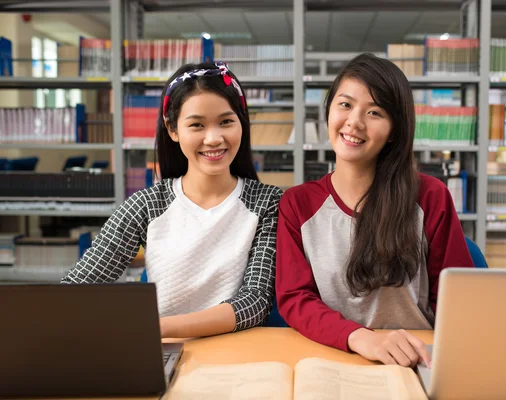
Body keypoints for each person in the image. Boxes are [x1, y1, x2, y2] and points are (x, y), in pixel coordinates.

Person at [275, 53, 474, 368]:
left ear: (395, 129)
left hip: (413, 360)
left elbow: (461, 301)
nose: (355, 121)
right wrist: (359, 337)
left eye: (375, 112)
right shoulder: (297, 205)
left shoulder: (431, 197)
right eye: (345, 104)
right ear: (328, 110)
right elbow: (295, 299)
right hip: (333, 356)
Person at [62, 62, 283, 339]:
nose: (213, 138)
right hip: (161, 353)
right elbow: (77, 288)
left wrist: (155, 328)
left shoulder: (269, 203)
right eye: (197, 125)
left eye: (226, 121)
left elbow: (256, 301)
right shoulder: (146, 205)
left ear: (242, 122)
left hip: (234, 354)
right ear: (173, 129)